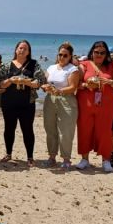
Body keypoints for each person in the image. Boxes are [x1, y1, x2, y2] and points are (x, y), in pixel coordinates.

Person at [75, 41, 113, 172]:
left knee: (105, 132)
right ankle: (84, 159)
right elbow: (76, 83)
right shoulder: (84, 65)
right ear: (92, 52)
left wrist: (109, 82)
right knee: (84, 130)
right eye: (97, 52)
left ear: (106, 54)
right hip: (86, 104)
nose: (99, 55)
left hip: (106, 105)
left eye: (102, 52)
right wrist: (86, 85)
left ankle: (106, 160)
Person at [0, 40, 45, 167]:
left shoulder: (34, 65)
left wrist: (26, 81)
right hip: (9, 102)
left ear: (28, 52)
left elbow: (39, 82)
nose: (22, 50)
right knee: (9, 129)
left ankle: (30, 157)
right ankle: (8, 154)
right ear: (16, 50)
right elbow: (0, 83)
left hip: (27, 104)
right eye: (20, 48)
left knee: (27, 129)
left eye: (25, 48)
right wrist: (11, 80)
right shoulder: (7, 65)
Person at [41, 42, 80, 170]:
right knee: (50, 129)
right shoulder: (51, 68)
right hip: (50, 100)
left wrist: (59, 91)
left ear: (70, 56)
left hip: (66, 100)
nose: (62, 57)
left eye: (65, 55)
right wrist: (44, 87)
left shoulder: (72, 69)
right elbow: (45, 82)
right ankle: (52, 157)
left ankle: (66, 159)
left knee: (66, 131)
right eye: (60, 54)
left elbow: (73, 87)